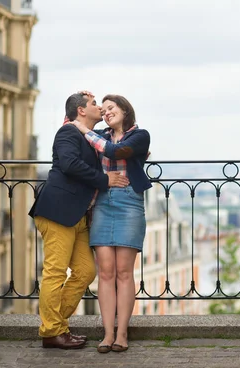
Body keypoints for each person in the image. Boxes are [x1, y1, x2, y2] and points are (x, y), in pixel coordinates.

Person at [29, 92, 129, 350]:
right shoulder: (68, 133)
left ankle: (55, 325)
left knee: (86, 271)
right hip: (58, 213)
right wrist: (104, 180)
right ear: (81, 111)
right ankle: (53, 331)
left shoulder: (88, 135)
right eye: (95, 104)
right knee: (55, 272)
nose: (100, 108)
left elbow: (117, 141)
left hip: (78, 217)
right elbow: (70, 163)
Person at [71, 94, 151, 353]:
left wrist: (85, 129)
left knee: (124, 272)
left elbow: (115, 152)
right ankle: (107, 334)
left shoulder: (140, 136)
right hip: (103, 203)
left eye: (110, 108)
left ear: (125, 109)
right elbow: (70, 120)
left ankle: (123, 334)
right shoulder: (101, 136)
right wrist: (85, 98)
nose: (105, 112)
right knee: (105, 272)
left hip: (129, 203)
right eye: (102, 109)